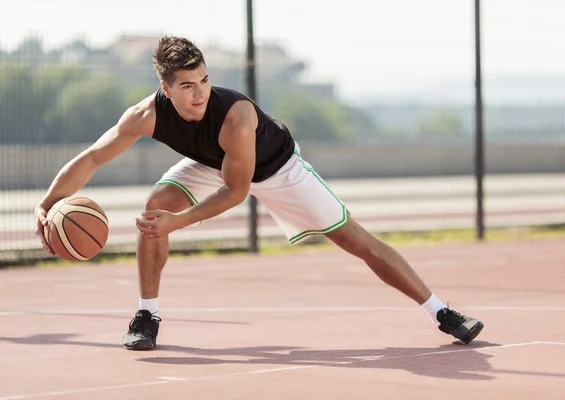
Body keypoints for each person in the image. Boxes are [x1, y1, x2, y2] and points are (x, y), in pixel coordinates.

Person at [34, 36, 484, 351]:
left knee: (354, 238)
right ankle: (146, 316)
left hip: (275, 168)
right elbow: (93, 157)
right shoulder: (145, 115)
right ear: (166, 89)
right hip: (212, 164)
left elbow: (236, 191)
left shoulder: (236, 116)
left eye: (204, 81)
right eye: (187, 86)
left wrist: (180, 224)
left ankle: (441, 312)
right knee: (156, 208)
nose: (199, 93)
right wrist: (49, 202)